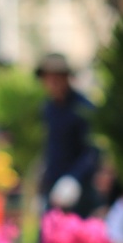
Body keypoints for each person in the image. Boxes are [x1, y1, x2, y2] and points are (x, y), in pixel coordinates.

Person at [37, 53, 99, 218]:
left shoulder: (83, 108)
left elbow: (92, 151)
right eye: (49, 77)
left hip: (79, 189)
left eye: (57, 77)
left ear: (66, 77)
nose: (53, 82)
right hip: (53, 186)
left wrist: (74, 178)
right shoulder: (48, 108)